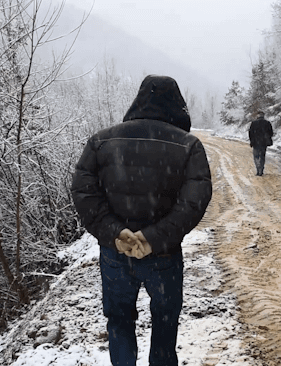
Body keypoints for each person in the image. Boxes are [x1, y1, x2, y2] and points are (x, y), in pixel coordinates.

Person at [70, 75, 212, 366]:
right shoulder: (188, 145)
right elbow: (194, 202)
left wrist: (115, 233)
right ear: (177, 104)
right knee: (165, 320)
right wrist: (154, 237)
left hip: (115, 254)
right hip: (163, 254)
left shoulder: (101, 141)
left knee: (119, 321)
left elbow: (84, 193)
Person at [248, 110, 273, 176]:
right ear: (263, 116)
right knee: (262, 156)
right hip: (264, 143)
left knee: (256, 156)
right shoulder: (267, 123)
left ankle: (258, 168)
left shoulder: (253, 123)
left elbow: (250, 133)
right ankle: (261, 169)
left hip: (255, 142)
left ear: (257, 116)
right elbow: (271, 133)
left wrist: (252, 140)